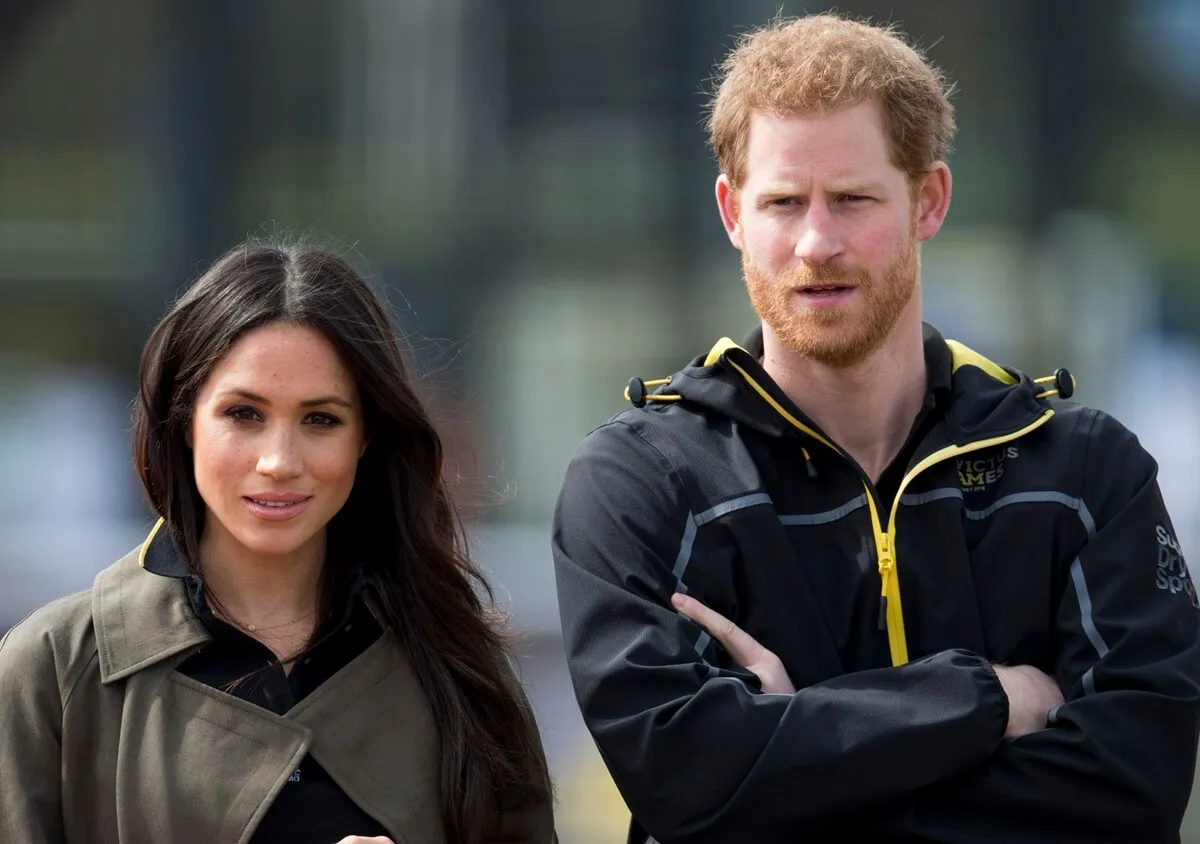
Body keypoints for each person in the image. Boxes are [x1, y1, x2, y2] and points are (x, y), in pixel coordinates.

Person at [551, 13, 1200, 844]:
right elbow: (684, 778)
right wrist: (990, 699)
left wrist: (794, 759)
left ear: (928, 200)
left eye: (853, 200)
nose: (816, 243)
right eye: (783, 202)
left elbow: (1134, 788)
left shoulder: (1084, 474)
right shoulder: (643, 483)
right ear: (731, 213)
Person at [0, 241, 556, 844]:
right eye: (243, 414)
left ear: (366, 437)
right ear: (184, 422)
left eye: (321, 419)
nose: (279, 461)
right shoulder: (53, 670)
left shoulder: (457, 667)